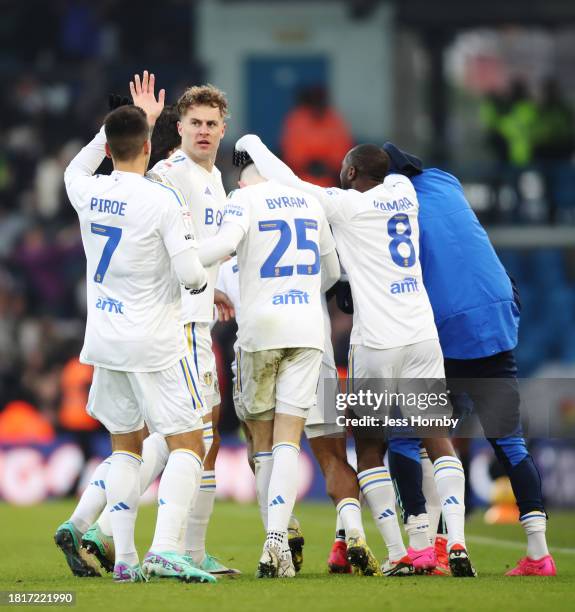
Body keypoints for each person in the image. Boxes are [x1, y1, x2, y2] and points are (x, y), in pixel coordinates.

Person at [234, 135, 477, 578]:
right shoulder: (403, 192)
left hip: (378, 342)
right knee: (437, 437)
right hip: (422, 332)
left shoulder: (345, 205)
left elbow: (287, 180)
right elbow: (402, 163)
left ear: (349, 174)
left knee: (367, 447)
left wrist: (252, 143)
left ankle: (397, 553)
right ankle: (456, 543)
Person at [57, 71, 214, 584]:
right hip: (154, 343)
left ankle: (125, 560)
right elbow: (192, 276)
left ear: (110, 144)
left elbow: (81, 162)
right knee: (189, 443)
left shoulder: (85, 189)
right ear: (150, 146)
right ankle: (166, 549)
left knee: (125, 448)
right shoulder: (161, 201)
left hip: (104, 340)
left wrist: (129, 123)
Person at [380, 142, 556, 577]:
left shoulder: (391, 205)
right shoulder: (445, 181)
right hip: (496, 313)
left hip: (447, 326)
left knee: (408, 435)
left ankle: (425, 544)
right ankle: (539, 554)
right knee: (509, 441)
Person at [196, 161, 340, 578]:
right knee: (289, 441)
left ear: (245, 180)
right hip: (307, 328)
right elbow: (331, 272)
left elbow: (224, 244)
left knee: (261, 444)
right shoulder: (310, 201)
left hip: (261, 330)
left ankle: (275, 537)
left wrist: (182, 260)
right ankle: (276, 543)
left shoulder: (243, 199)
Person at [149, 84, 236, 575]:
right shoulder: (169, 174)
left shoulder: (214, 176)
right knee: (192, 434)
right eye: (195, 123)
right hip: (176, 319)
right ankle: (177, 550)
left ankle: (192, 550)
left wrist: (214, 287)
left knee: (201, 435)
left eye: (211, 124)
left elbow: (194, 246)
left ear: (223, 129)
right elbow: (163, 247)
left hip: (198, 312)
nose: (203, 131)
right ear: (179, 127)